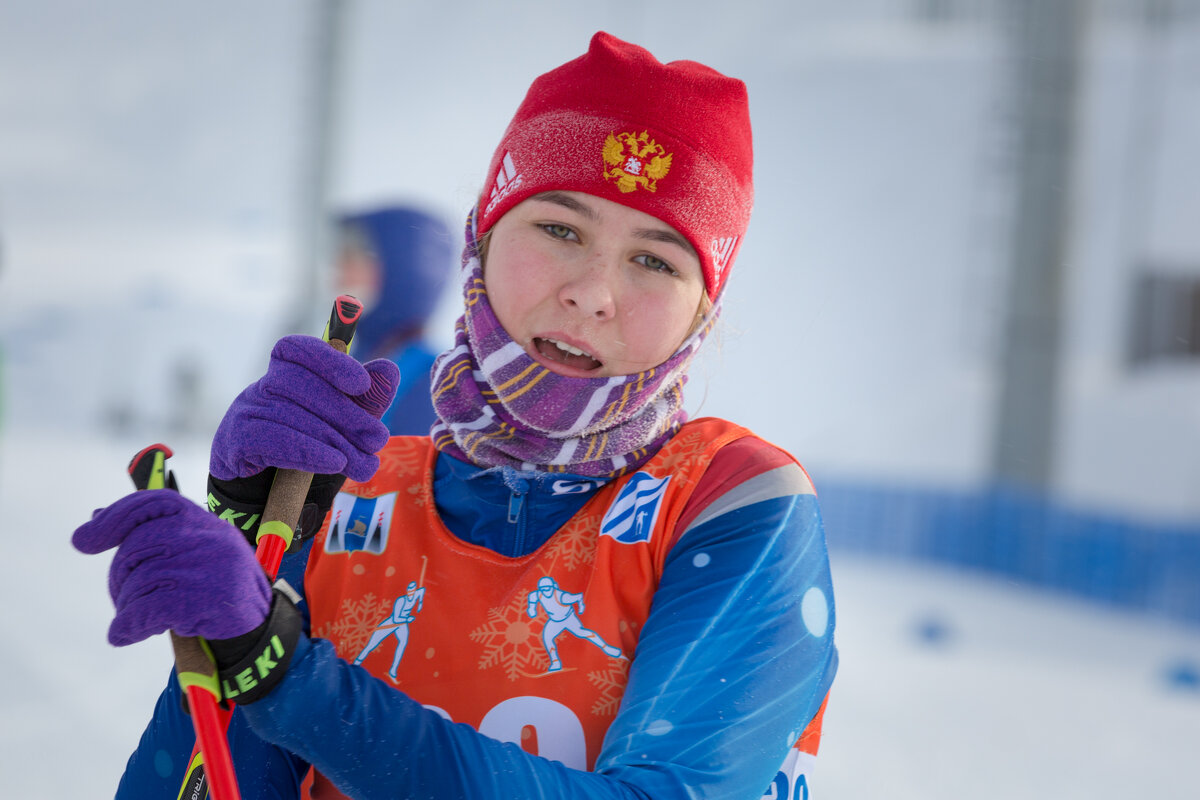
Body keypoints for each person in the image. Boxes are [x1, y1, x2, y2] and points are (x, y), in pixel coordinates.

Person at [73, 32, 838, 800]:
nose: (593, 292)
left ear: (701, 314)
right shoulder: (354, 498)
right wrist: (249, 564)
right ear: (483, 237)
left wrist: (293, 680)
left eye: (655, 260)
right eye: (560, 229)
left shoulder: (732, 503)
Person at [332, 204, 454, 435]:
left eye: (353, 256)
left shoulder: (433, 383)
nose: (338, 268)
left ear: (401, 270)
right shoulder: (355, 357)